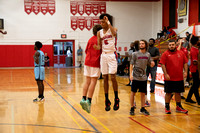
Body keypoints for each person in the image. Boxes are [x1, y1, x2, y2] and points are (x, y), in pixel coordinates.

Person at [94, 13, 120, 111]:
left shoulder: (113, 29)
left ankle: (116, 98)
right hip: (103, 55)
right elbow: (99, 45)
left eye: (103, 22)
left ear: (107, 22)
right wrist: (97, 47)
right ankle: (106, 99)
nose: (101, 23)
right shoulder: (99, 33)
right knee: (105, 77)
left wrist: (108, 22)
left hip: (111, 54)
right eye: (100, 22)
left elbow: (114, 33)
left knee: (113, 77)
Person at [160, 39, 188, 114]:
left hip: (179, 77)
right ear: (168, 46)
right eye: (170, 45)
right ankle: (167, 106)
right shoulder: (165, 54)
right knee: (168, 93)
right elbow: (162, 65)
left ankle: (178, 107)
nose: (171, 46)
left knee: (178, 92)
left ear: (176, 45)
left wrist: (185, 71)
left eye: (172, 45)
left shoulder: (181, 53)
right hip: (169, 78)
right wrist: (165, 74)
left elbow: (185, 63)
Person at [80, 24, 102, 113]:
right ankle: (89, 100)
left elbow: (86, 51)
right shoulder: (100, 41)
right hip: (95, 63)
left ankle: (83, 98)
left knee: (87, 81)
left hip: (87, 62)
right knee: (93, 82)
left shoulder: (90, 39)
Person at [129, 40, 155, 115]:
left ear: (145, 45)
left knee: (143, 93)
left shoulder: (148, 54)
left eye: (143, 43)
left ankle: (142, 108)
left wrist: (152, 64)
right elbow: (131, 64)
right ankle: (132, 108)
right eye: (140, 44)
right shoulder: (135, 54)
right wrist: (130, 75)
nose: (141, 45)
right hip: (135, 77)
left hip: (143, 77)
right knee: (133, 93)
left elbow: (150, 64)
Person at [185, 36, 200, 105]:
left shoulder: (196, 49)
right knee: (196, 85)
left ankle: (188, 98)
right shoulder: (194, 50)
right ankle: (198, 100)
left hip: (196, 69)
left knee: (195, 85)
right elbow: (194, 61)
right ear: (196, 42)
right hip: (195, 69)